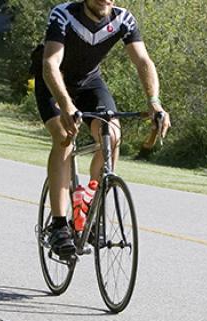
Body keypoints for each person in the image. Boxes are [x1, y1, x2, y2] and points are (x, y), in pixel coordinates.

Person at [34, 0, 171, 258]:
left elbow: (143, 61)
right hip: (54, 83)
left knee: (112, 134)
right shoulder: (63, 15)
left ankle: (89, 208)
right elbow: (50, 64)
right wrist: (65, 105)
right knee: (64, 137)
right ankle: (59, 225)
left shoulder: (123, 19)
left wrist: (154, 103)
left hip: (89, 83)